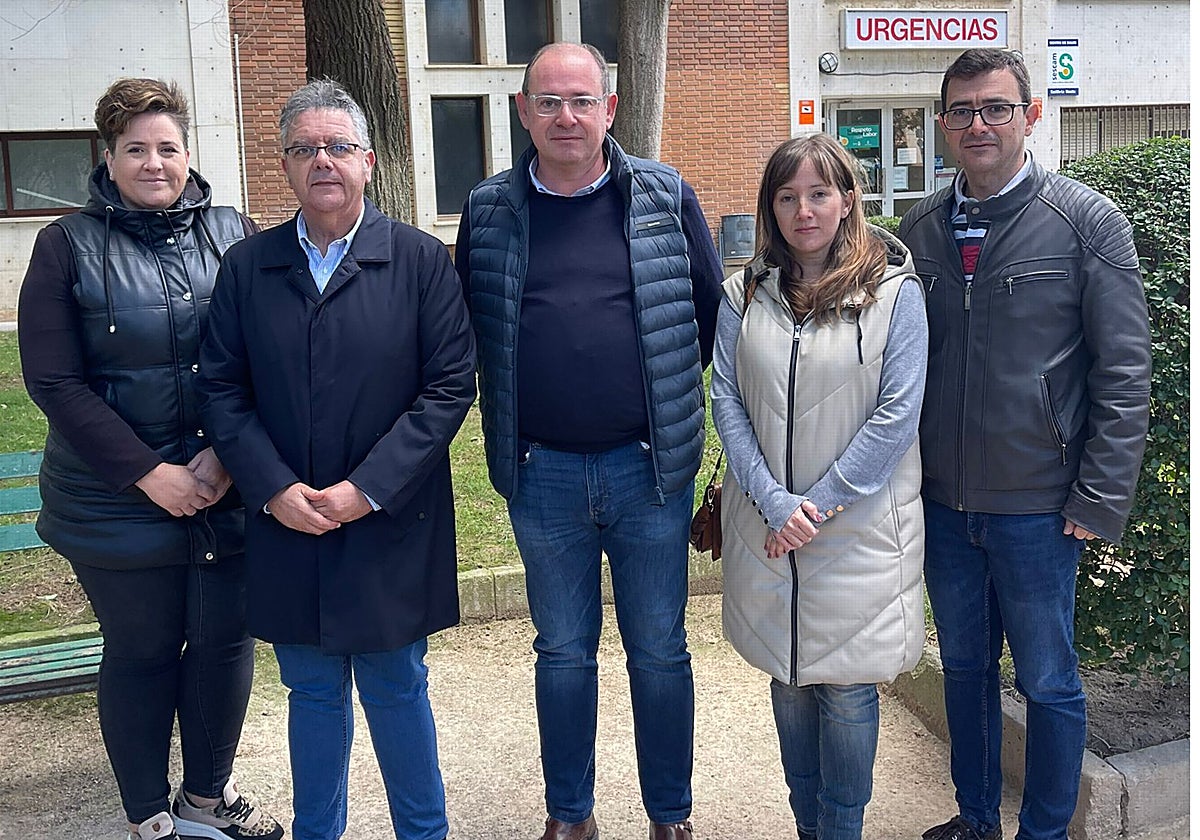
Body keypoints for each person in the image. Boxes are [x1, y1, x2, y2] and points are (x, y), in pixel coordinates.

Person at [454, 41, 724, 840]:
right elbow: (470, 328)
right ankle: (570, 816)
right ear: (522, 111)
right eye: (549, 101)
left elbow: (707, 315)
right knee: (562, 653)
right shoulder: (490, 208)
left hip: (649, 474)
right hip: (541, 476)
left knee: (660, 653)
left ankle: (669, 816)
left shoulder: (666, 194)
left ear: (609, 109)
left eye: (582, 100)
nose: (565, 116)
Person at [197, 79, 476, 840]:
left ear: (369, 162)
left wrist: (368, 489)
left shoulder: (420, 261)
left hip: (389, 521)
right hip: (286, 522)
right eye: (304, 148)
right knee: (312, 692)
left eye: (338, 146)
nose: (322, 161)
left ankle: (425, 833)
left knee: (396, 686)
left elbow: (450, 388)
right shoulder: (248, 268)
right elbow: (221, 389)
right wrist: (273, 488)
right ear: (283, 166)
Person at [17, 78, 282, 840]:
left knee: (224, 644)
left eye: (167, 147)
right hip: (112, 500)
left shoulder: (235, 232)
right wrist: (150, 475)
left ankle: (204, 802)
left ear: (189, 153)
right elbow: (55, 381)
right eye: (136, 148)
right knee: (140, 651)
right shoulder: (65, 245)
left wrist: (226, 463)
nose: (154, 162)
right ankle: (149, 817)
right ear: (109, 157)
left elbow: (268, 357)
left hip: (224, 488)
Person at [899, 49, 1152, 840]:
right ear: (942, 123)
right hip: (945, 507)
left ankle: (1045, 832)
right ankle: (976, 822)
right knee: (966, 677)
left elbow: (1125, 367)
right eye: (963, 110)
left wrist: (1099, 497)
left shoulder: (1086, 221)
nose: (979, 124)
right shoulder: (919, 231)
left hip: (1041, 511)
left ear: (1031, 115)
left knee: (1048, 682)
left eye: (997, 108)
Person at [711, 133, 927, 840]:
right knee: (790, 679)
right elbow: (725, 399)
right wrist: (777, 504)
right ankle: (807, 825)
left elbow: (898, 413)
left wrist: (817, 504)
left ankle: (842, 828)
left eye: (818, 193)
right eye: (787, 195)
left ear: (848, 199)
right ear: (770, 207)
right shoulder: (743, 294)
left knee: (845, 688)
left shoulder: (896, 293)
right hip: (770, 529)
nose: (803, 210)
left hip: (858, 529)